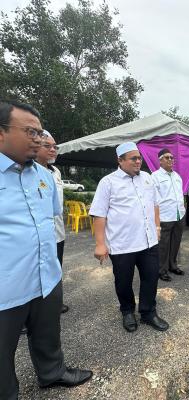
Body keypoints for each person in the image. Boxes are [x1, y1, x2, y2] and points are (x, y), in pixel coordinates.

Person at [0, 100, 92, 400]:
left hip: (46, 277)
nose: (39, 139)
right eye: (31, 132)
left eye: (40, 133)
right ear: (1, 132)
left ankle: (52, 372)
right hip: (5, 288)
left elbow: (50, 219)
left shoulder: (44, 176)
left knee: (48, 335)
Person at [90, 142, 169, 332]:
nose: (138, 161)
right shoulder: (108, 182)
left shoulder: (148, 178)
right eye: (133, 158)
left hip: (148, 242)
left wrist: (157, 226)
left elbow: (155, 204)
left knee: (151, 278)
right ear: (120, 160)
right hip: (122, 244)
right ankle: (127, 311)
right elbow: (99, 213)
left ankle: (148, 312)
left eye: (139, 157)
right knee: (123, 281)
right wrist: (100, 244)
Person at [35, 130, 69, 313]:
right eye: (47, 146)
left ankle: (53, 302)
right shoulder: (28, 169)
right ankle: (28, 313)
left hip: (57, 231)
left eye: (54, 147)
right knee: (35, 273)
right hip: (38, 233)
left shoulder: (55, 171)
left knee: (55, 268)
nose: (52, 150)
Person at [151, 148, 186, 282]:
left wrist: (182, 209)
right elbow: (154, 199)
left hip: (178, 214)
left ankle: (173, 265)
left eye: (172, 157)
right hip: (165, 216)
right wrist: (157, 219)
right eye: (167, 157)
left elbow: (179, 195)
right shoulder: (155, 176)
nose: (170, 160)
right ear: (160, 160)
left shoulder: (177, 176)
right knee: (163, 245)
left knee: (176, 243)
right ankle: (162, 270)